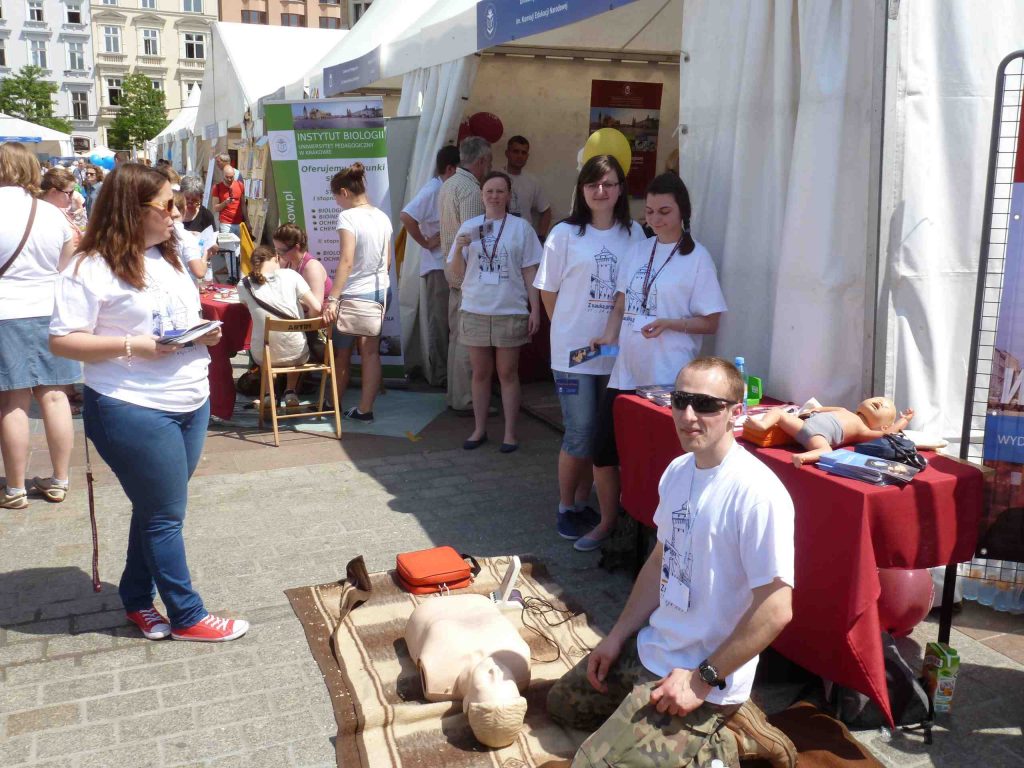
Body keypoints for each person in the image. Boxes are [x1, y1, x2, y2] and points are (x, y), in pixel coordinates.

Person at [547, 357, 797, 768]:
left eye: (706, 404)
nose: (689, 415)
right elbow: (661, 561)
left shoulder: (757, 494)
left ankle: (727, 735)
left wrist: (702, 679)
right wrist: (616, 636)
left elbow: (776, 609)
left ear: (736, 412)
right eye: (680, 400)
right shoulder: (678, 471)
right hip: (655, 648)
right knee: (561, 705)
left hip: (706, 676)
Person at [49, 163, 248, 643]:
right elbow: (62, 340)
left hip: (190, 400)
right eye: (168, 205)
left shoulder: (168, 255)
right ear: (133, 210)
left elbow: (177, 315)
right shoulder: (90, 266)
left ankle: (137, 599)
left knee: (155, 506)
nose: (177, 213)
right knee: (164, 514)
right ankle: (187, 615)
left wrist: (203, 332)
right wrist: (131, 345)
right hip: (131, 405)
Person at [586, 173, 727, 552]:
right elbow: (620, 304)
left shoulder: (697, 258)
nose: (656, 219)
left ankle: (661, 540)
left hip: (667, 379)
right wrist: (609, 336)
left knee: (658, 460)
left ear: (683, 212)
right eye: (649, 211)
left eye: (664, 211)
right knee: (603, 451)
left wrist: (670, 323)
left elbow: (711, 321)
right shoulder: (638, 250)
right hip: (625, 374)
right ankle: (608, 523)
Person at [534, 155, 646, 544]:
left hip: (615, 354)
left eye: (609, 184)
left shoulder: (634, 234)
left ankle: (584, 502)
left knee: (600, 435)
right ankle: (566, 507)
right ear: (582, 190)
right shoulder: (565, 234)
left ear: (620, 189)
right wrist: (567, 329)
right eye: (593, 184)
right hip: (574, 355)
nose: (601, 191)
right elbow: (547, 291)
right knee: (579, 431)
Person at [0, 143, 78, 509]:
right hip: (51, 308)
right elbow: (66, 262)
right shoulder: (50, 214)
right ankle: (60, 479)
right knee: (56, 395)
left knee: (12, 400)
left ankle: (15, 488)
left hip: (6, 309)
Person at [448, 171, 541, 453]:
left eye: (500, 191)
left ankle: (510, 433)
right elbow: (456, 272)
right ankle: (479, 429)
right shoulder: (469, 227)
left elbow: (530, 271)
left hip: (509, 309)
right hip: (475, 308)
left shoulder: (521, 228)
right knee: (479, 373)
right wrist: (458, 249)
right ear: (481, 195)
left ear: (509, 195)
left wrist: (535, 309)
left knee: (507, 373)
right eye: (489, 191)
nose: (494, 196)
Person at [405, 594, 530, 749]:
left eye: (489, 683)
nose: (496, 672)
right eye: (507, 682)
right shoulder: (520, 661)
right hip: (481, 601)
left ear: (467, 704)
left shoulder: (437, 673)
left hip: (431, 607)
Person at [321, 163, 393, 423]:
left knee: (342, 353)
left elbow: (346, 260)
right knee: (370, 353)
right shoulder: (382, 216)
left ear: (344, 192)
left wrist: (333, 298)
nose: (337, 203)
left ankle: (334, 404)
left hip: (354, 295)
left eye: (336, 197)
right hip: (380, 291)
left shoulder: (348, 217)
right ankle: (365, 409)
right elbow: (387, 262)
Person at [400, 145, 460, 387]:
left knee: (450, 321)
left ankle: (450, 374)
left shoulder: (445, 188)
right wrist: (426, 242)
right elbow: (407, 216)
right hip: (437, 267)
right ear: (451, 169)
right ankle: (440, 376)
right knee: (440, 321)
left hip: (450, 265)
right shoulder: (434, 189)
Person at [440, 136, 492, 413]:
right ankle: (466, 398)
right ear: (482, 161)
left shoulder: (449, 184)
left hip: (453, 273)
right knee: (466, 340)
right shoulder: (471, 190)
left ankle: (456, 395)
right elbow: (473, 238)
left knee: (456, 337)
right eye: (489, 161)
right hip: (467, 276)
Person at [238, 245, 322, 409]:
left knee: (266, 342)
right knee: (293, 341)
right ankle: (290, 391)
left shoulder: (244, 284)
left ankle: (268, 394)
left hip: (263, 356)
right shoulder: (291, 275)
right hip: (297, 354)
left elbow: (250, 309)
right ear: (276, 258)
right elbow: (317, 307)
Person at [747, 397, 915, 466]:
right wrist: (811, 411)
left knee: (826, 450)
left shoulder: (863, 430)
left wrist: (904, 420)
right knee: (778, 412)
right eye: (877, 399)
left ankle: (803, 457)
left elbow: (888, 434)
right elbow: (820, 409)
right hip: (803, 425)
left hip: (818, 437)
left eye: (885, 407)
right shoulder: (843, 410)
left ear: (883, 426)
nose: (880, 402)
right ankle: (762, 424)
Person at [504, 135, 551, 239]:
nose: (520, 156)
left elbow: (546, 211)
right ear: (507, 153)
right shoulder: (496, 177)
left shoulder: (533, 182)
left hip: (525, 237)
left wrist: (541, 237)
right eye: (515, 151)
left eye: (523, 153)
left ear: (527, 156)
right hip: (500, 236)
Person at [272, 223, 331, 305]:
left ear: (297, 247)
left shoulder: (312, 267)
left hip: (319, 312)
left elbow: (317, 305)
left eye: (282, 250)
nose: (279, 254)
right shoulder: (284, 262)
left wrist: (284, 301)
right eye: (276, 250)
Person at [211, 165, 244, 283]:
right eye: (227, 177)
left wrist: (247, 222)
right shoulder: (217, 187)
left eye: (231, 177)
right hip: (225, 223)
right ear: (223, 176)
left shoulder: (240, 185)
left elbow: (243, 205)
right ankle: (232, 276)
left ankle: (239, 274)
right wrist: (225, 203)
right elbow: (215, 208)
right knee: (229, 250)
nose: (230, 179)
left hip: (239, 222)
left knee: (238, 251)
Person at [39, 166, 85, 248]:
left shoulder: (58, 210)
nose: (72, 196)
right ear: (53, 192)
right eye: (69, 193)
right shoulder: (45, 217)